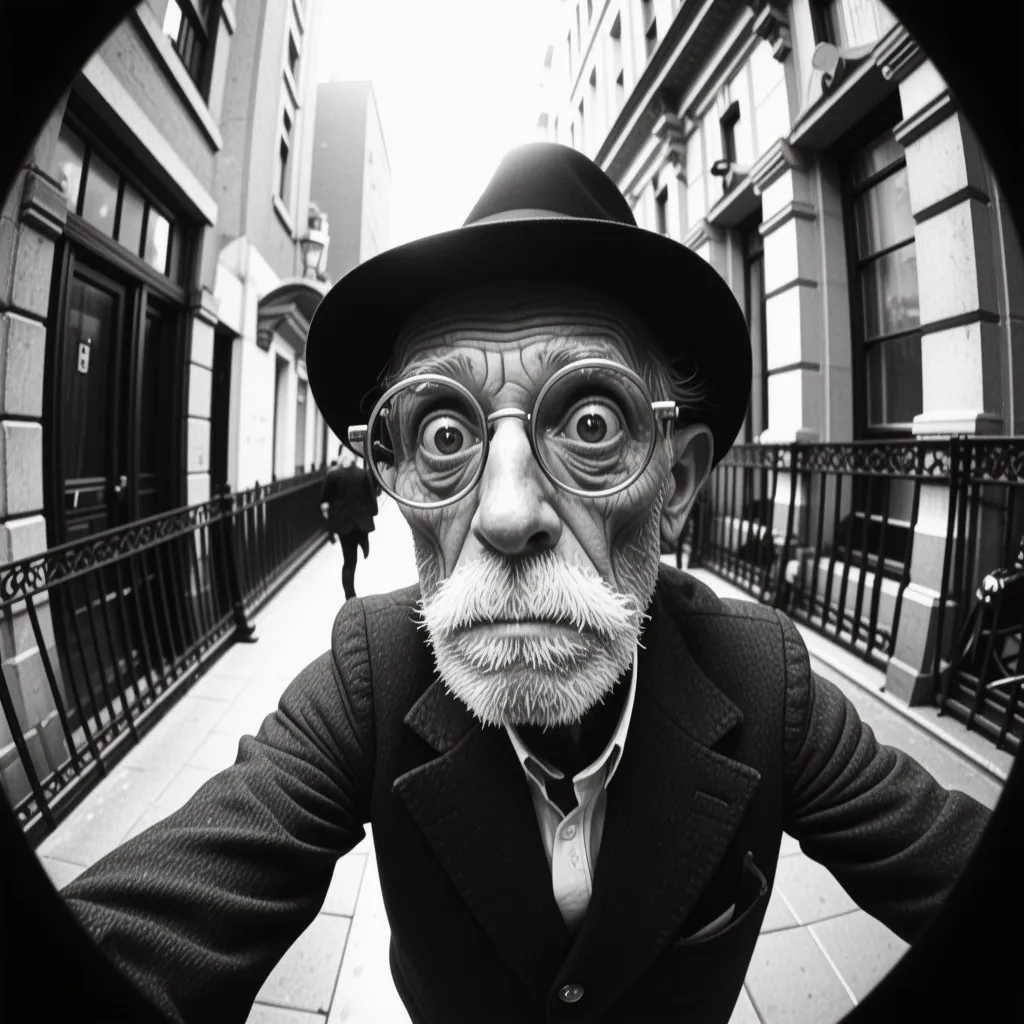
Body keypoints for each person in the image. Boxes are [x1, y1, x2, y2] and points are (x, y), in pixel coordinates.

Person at [58, 143, 990, 1024]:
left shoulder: (767, 684)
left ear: (679, 483)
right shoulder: (368, 679)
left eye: (589, 422)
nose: (507, 515)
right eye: (445, 436)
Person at [319, 444, 378, 598]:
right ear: (355, 457)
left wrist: (331, 523)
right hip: (360, 523)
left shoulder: (333, 475)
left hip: (343, 525)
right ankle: (364, 541)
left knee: (349, 562)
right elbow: (371, 500)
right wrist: (373, 513)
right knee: (356, 550)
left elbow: (324, 502)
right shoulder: (362, 474)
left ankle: (350, 596)